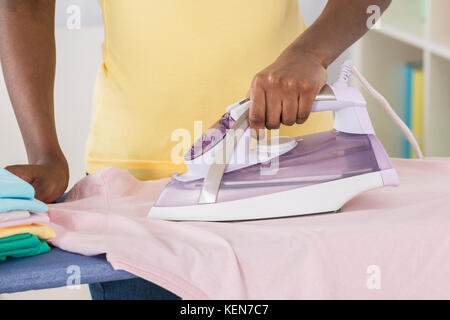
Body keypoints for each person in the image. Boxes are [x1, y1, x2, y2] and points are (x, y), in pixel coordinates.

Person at [0, 0, 391, 300]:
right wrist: (44, 155)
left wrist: (311, 54)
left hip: (289, 182)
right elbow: (25, 6)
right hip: (134, 194)